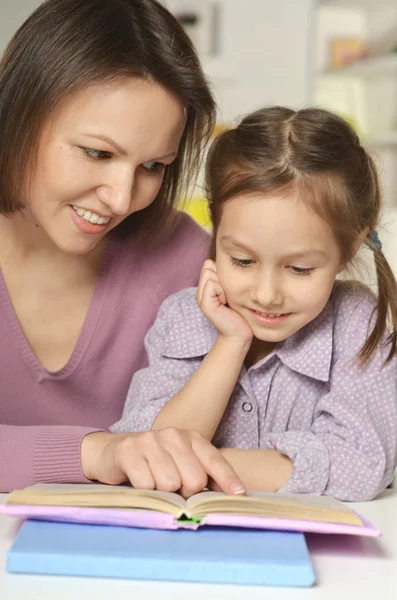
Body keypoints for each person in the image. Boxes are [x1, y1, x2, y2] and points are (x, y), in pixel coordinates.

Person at [0, 0, 246, 498]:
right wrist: (99, 452)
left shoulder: (188, 264)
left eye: (153, 166)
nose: (120, 197)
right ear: (17, 114)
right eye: (98, 153)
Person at [112, 106, 397, 501]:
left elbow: (359, 466)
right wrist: (230, 344)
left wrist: (202, 464)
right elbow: (142, 450)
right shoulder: (182, 316)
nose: (266, 294)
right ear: (216, 226)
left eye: (299, 269)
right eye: (242, 261)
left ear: (349, 247)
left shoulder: (355, 322)